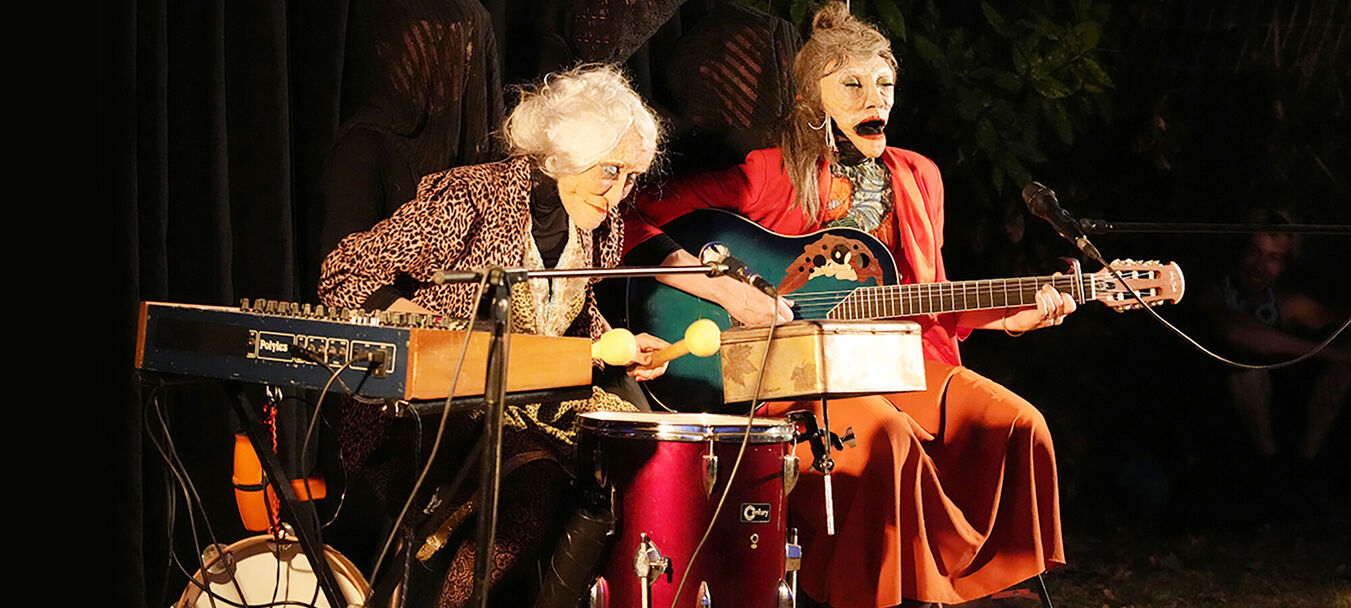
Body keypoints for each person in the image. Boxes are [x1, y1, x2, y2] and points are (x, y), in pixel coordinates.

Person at [622, 5, 1073, 606]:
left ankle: (953, 583)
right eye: (853, 84)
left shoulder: (919, 176)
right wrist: (727, 289)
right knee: (883, 436)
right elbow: (632, 215)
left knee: (1017, 424)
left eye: (885, 84)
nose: (875, 99)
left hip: (890, 364)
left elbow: (926, 295)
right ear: (814, 98)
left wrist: (1007, 315)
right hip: (783, 370)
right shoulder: (770, 174)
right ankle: (873, 593)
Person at [319, 64, 669, 607]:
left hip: (535, 399)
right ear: (566, 156)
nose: (618, 195)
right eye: (610, 172)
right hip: (439, 403)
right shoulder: (470, 198)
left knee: (640, 449)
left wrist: (618, 343)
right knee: (535, 486)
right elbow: (345, 271)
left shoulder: (601, 223)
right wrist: (426, 324)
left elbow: (568, 316)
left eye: (630, 178)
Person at [1200, 209, 1349, 513]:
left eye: (1273, 258)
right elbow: (1234, 331)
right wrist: (1331, 354)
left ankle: (1302, 471)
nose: (1260, 266)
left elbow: (1342, 324)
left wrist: (1343, 363)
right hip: (1218, 419)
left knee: (1343, 375)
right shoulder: (1215, 291)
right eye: (1254, 252)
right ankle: (1271, 475)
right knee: (1245, 369)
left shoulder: (1285, 303)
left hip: (1282, 421)